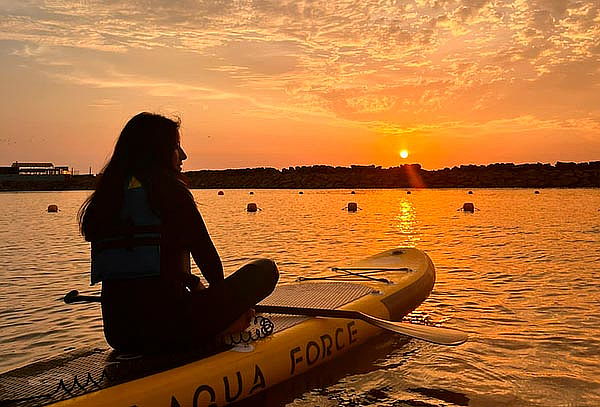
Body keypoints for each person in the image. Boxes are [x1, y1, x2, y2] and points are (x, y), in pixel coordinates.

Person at [78, 112, 279, 354]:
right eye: (176, 147)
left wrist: (193, 284)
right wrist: (232, 307)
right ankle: (225, 329)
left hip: (119, 334)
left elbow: (147, 272)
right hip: (173, 330)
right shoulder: (171, 193)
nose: (183, 155)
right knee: (266, 269)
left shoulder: (104, 201)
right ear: (158, 152)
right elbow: (211, 264)